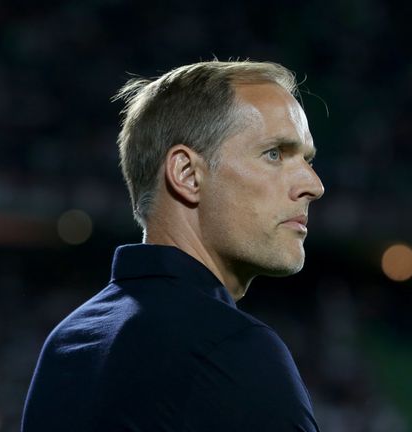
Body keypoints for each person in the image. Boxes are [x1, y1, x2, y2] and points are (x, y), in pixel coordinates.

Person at [21, 60, 325, 431]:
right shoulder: (230, 350)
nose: (313, 184)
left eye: (307, 159)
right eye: (275, 154)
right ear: (187, 174)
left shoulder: (68, 343)